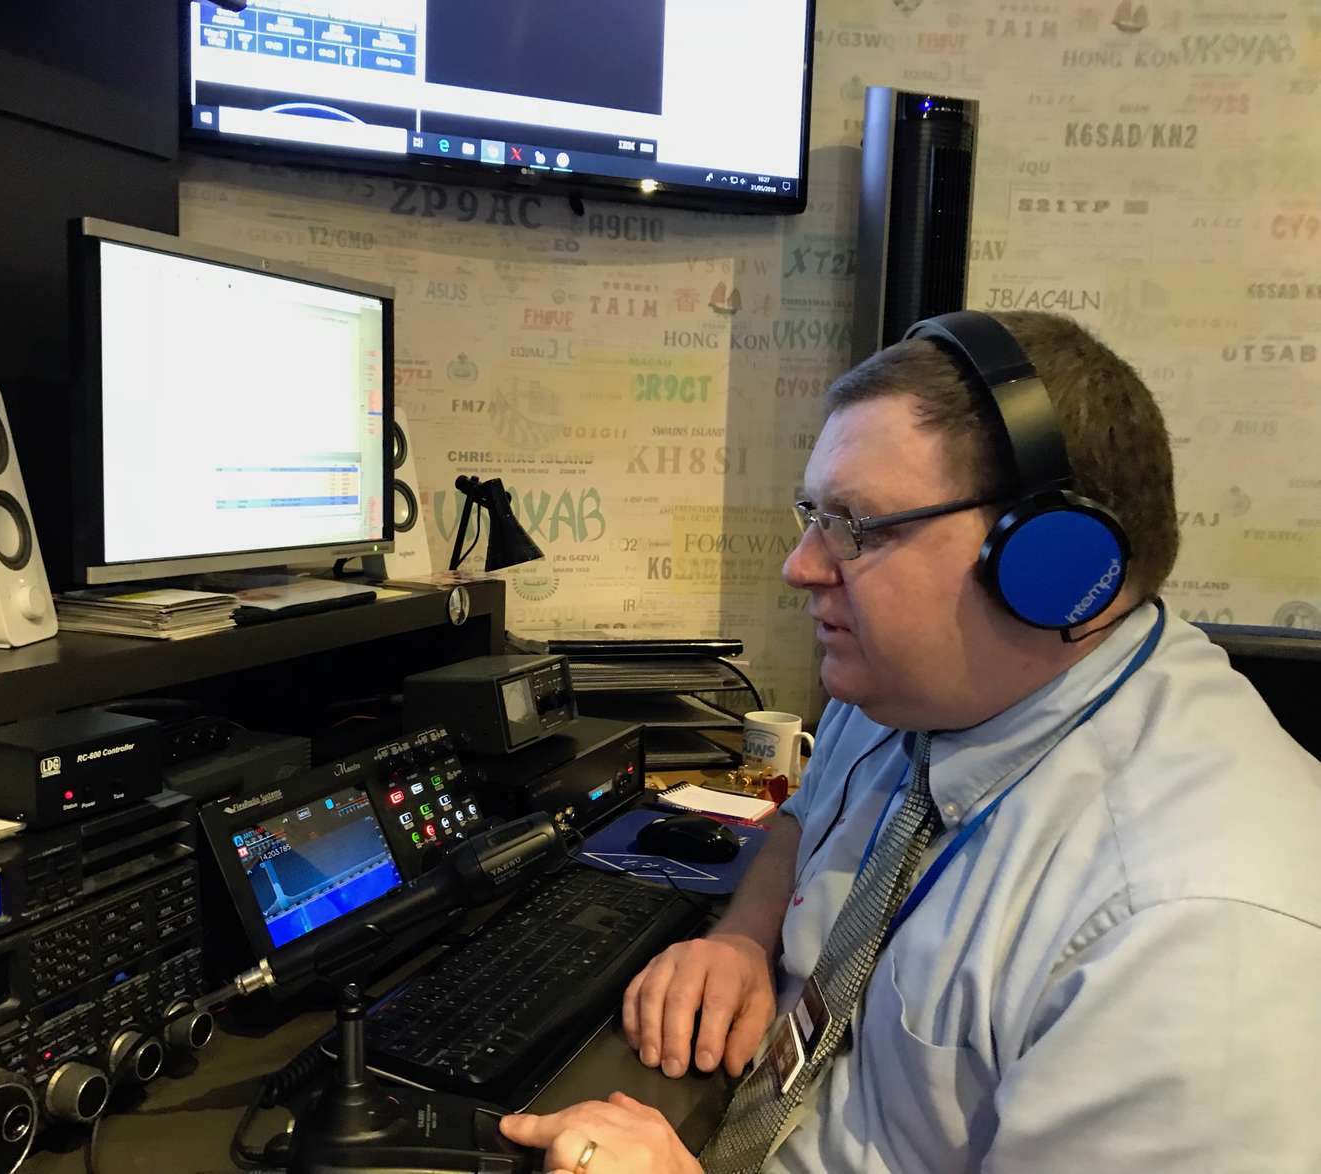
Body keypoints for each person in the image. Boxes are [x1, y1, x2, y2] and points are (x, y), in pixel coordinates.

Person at [500, 310, 1321, 1173]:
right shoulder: (909, 688)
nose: (800, 566)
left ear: (1052, 562)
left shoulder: (1195, 936)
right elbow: (800, 821)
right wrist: (742, 936)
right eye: (810, 514)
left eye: (855, 526)